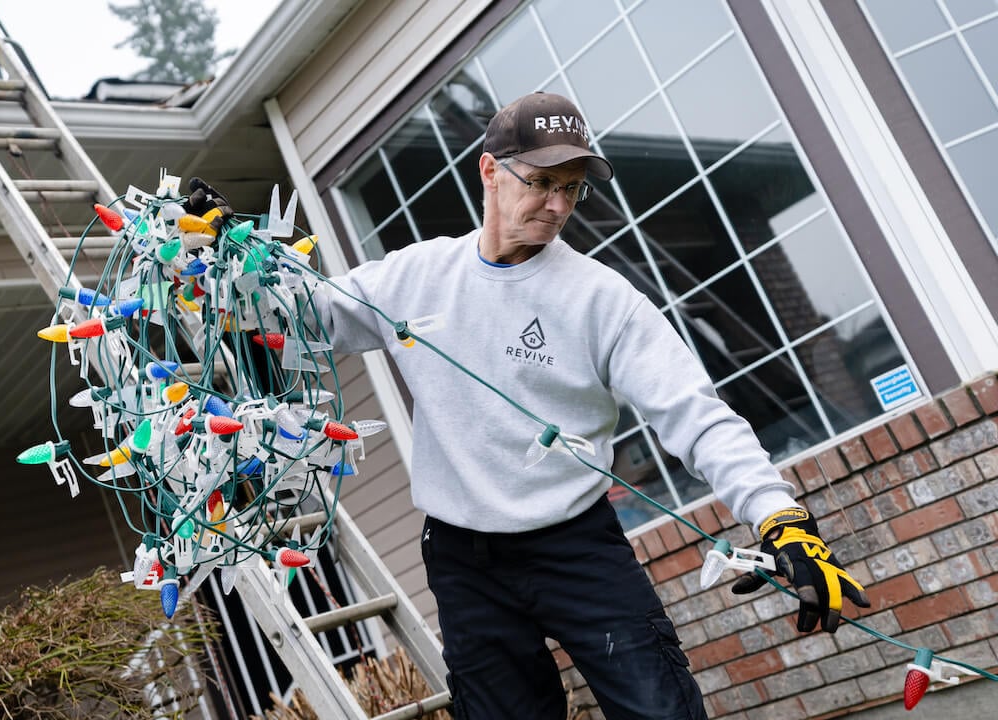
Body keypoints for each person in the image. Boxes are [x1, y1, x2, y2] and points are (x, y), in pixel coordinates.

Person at [313, 91, 871, 719]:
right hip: (464, 559)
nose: (557, 206)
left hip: (577, 547)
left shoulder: (603, 300)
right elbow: (303, 315)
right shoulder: (415, 277)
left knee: (661, 711)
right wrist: (228, 255)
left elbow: (697, 415)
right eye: (543, 181)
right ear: (490, 171)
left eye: (573, 188)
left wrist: (780, 517)